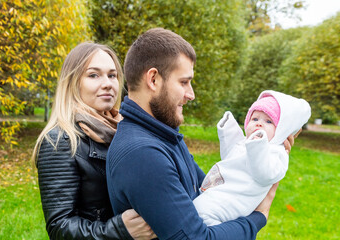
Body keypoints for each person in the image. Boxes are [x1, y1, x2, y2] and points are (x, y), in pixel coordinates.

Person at [106, 28, 295, 240]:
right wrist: (258, 217)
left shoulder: (163, 135)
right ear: (153, 80)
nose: (191, 94)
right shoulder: (142, 153)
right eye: (184, 82)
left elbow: (209, 191)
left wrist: (257, 152)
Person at [32, 42, 155, 240]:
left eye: (112, 75)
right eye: (93, 75)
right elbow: (59, 227)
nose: (107, 83)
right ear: (73, 82)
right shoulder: (60, 141)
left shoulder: (123, 129)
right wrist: (121, 231)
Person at [193, 90, 311, 226]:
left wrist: (257, 145)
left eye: (268, 121)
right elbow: (230, 155)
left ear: (281, 131)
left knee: (202, 215)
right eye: (254, 119)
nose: (259, 124)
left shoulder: (276, 152)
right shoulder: (246, 142)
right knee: (196, 211)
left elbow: (265, 174)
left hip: (236, 199)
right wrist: (228, 129)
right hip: (219, 192)